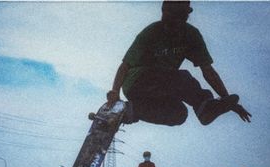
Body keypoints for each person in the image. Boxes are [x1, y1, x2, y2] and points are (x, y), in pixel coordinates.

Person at [107, 0, 251, 126]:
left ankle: (129, 112)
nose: (168, 27)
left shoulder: (191, 35)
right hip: (137, 82)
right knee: (181, 78)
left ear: (184, 18)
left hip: (160, 90)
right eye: (165, 21)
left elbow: (208, 71)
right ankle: (203, 108)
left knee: (178, 114)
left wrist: (227, 101)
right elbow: (124, 65)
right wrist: (115, 92)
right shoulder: (151, 32)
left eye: (172, 22)